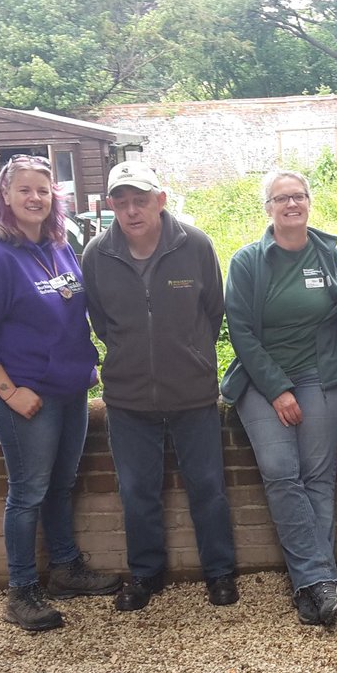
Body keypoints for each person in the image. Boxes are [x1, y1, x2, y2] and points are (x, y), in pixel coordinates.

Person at [0, 154, 121, 632]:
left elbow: (73, 314)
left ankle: (66, 568)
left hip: (68, 393)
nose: (34, 198)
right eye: (24, 190)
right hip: (25, 400)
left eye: (43, 191)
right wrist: (10, 393)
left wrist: (83, 364)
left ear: (54, 200)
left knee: (61, 486)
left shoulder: (59, 248)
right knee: (27, 493)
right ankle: (22, 590)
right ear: (5, 197)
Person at [81, 162, 238, 610]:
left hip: (193, 393)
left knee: (207, 485)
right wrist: (134, 357)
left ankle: (220, 572)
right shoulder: (97, 255)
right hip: (129, 398)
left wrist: (188, 354)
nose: (132, 210)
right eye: (122, 201)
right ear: (110, 205)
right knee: (136, 490)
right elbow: (101, 322)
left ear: (161, 200)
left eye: (141, 200)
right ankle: (146, 574)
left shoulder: (195, 244)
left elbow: (212, 312)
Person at [222, 170, 337, 625]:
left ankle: (313, 586)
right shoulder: (248, 261)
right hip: (263, 380)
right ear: (268, 209)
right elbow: (239, 331)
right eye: (280, 198)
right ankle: (320, 577)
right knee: (282, 472)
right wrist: (278, 388)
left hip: (322, 376)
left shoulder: (332, 257)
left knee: (318, 475)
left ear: (309, 202)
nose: (291, 204)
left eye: (298, 196)